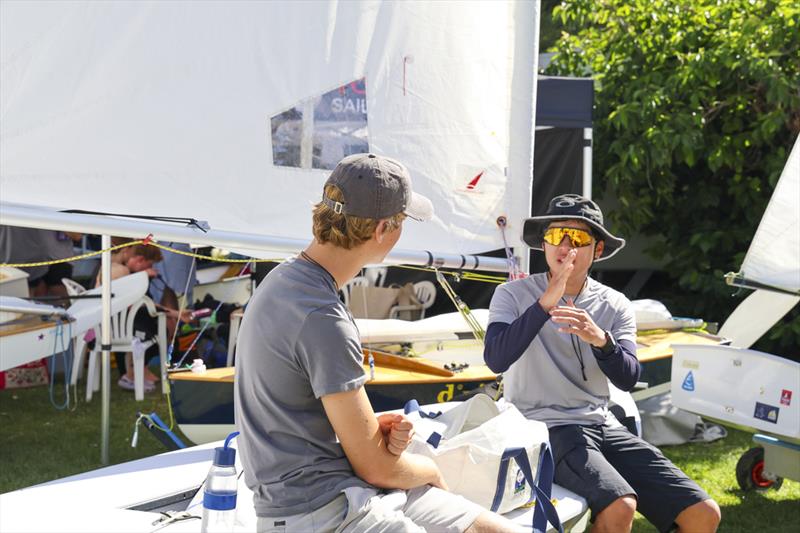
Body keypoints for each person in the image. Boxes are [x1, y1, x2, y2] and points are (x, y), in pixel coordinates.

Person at [235, 153, 519, 532]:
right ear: (383, 230)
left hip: (328, 493)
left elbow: (296, 409)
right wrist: (430, 470)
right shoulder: (323, 317)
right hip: (322, 511)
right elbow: (376, 466)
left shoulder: (285, 279)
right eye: (403, 223)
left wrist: (365, 426)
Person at [484, 194, 721, 533]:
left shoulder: (615, 303)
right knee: (620, 507)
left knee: (703, 513)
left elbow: (628, 378)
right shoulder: (512, 294)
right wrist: (544, 304)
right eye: (555, 236)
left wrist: (602, 340)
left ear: (596, 250)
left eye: (577, 238)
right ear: (544, 244)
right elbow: (496, 358)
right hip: (543, 426)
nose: (564, 246)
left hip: (602, 424)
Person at [0, 226, 82, 300]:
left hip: (57, 257)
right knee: (34, 293)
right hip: (33, 257)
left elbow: (77, 236)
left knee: (57, 290)